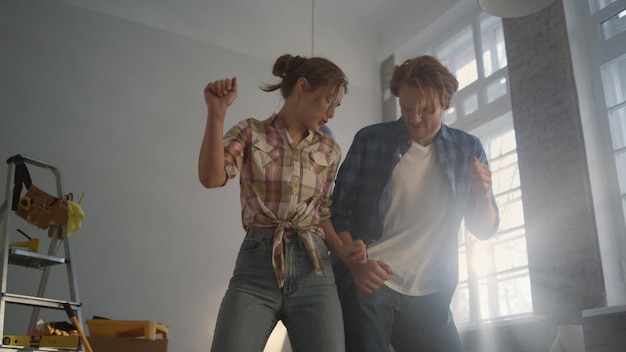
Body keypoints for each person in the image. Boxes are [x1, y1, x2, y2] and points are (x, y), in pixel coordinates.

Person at [330, 55, 500, 352]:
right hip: (372, 282)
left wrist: (483, 195)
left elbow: (484, 229)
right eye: (407, 108)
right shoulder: (371, 140)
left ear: (445, 104)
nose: (415, 118)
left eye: (427, 110)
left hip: (432, 291)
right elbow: (338, 211)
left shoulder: (467, 149)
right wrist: (356, 264)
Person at [198, 54, 366, 352]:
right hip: (256, 269)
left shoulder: (330, 150)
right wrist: (217, 113)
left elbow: (322, 212)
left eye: (337, 106)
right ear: (302, 86)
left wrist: (344, 251)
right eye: (329, 101)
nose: (331, 114)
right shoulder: (251, 132)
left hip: (315, 271)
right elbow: (212, 177)